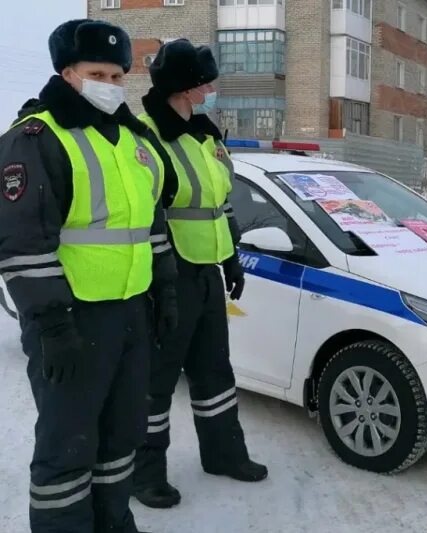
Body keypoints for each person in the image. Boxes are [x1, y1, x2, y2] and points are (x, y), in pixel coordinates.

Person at [0, 19, 179, 533]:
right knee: (67, 442)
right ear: (68, 74)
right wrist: (52, 325)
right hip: (72, 320)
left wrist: (165, 291)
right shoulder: (37, 137)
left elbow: (152, 223)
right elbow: (21, 243)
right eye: (97, 72)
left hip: (130, 313)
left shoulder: (131, 139)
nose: (111, 83)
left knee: (121, 435)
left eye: (119, 75)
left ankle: (113, 522)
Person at [133, 39, 268, 509]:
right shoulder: (146, 135)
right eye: (205, 81)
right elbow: (147, 213)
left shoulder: (206, 134)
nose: (212, 88)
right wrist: (162, 280)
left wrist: (230, 255)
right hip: (166, 276)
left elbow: (219, 202)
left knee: (214, 369)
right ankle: (144, 473)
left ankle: (224, 455)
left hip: (206, 270)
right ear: (185, 87)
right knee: (157, 380)